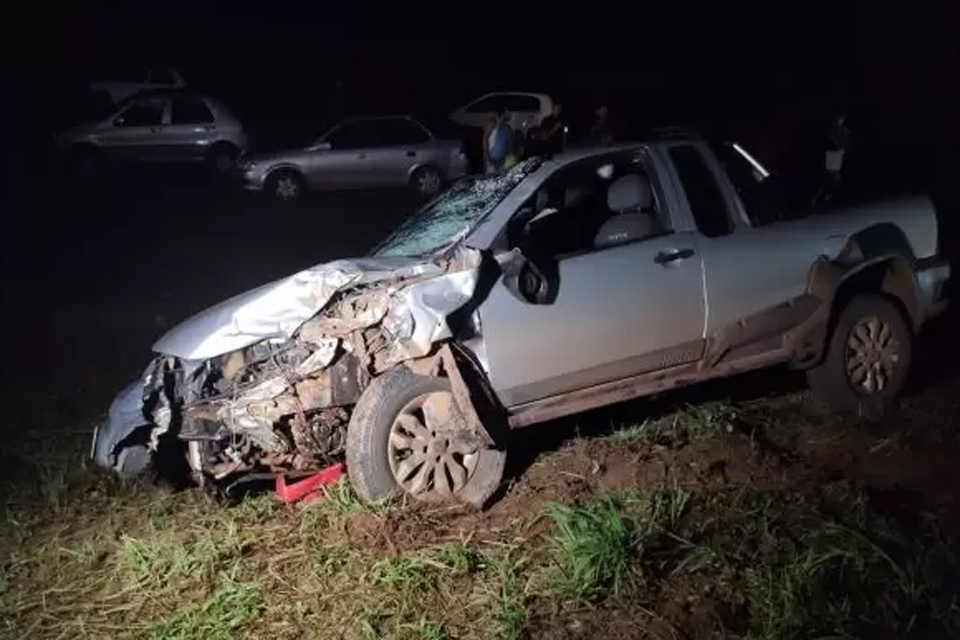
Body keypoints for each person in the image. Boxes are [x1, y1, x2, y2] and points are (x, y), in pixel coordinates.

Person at [484, 107, 514, 173]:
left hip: (502, 158)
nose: (509, 116)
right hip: (493, 157)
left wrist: (508, 156)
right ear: (501, 115)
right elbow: (485, 140)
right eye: (506, 114)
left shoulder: (508, 128)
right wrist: (487, 156)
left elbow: (509, 144)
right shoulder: (492, 126)